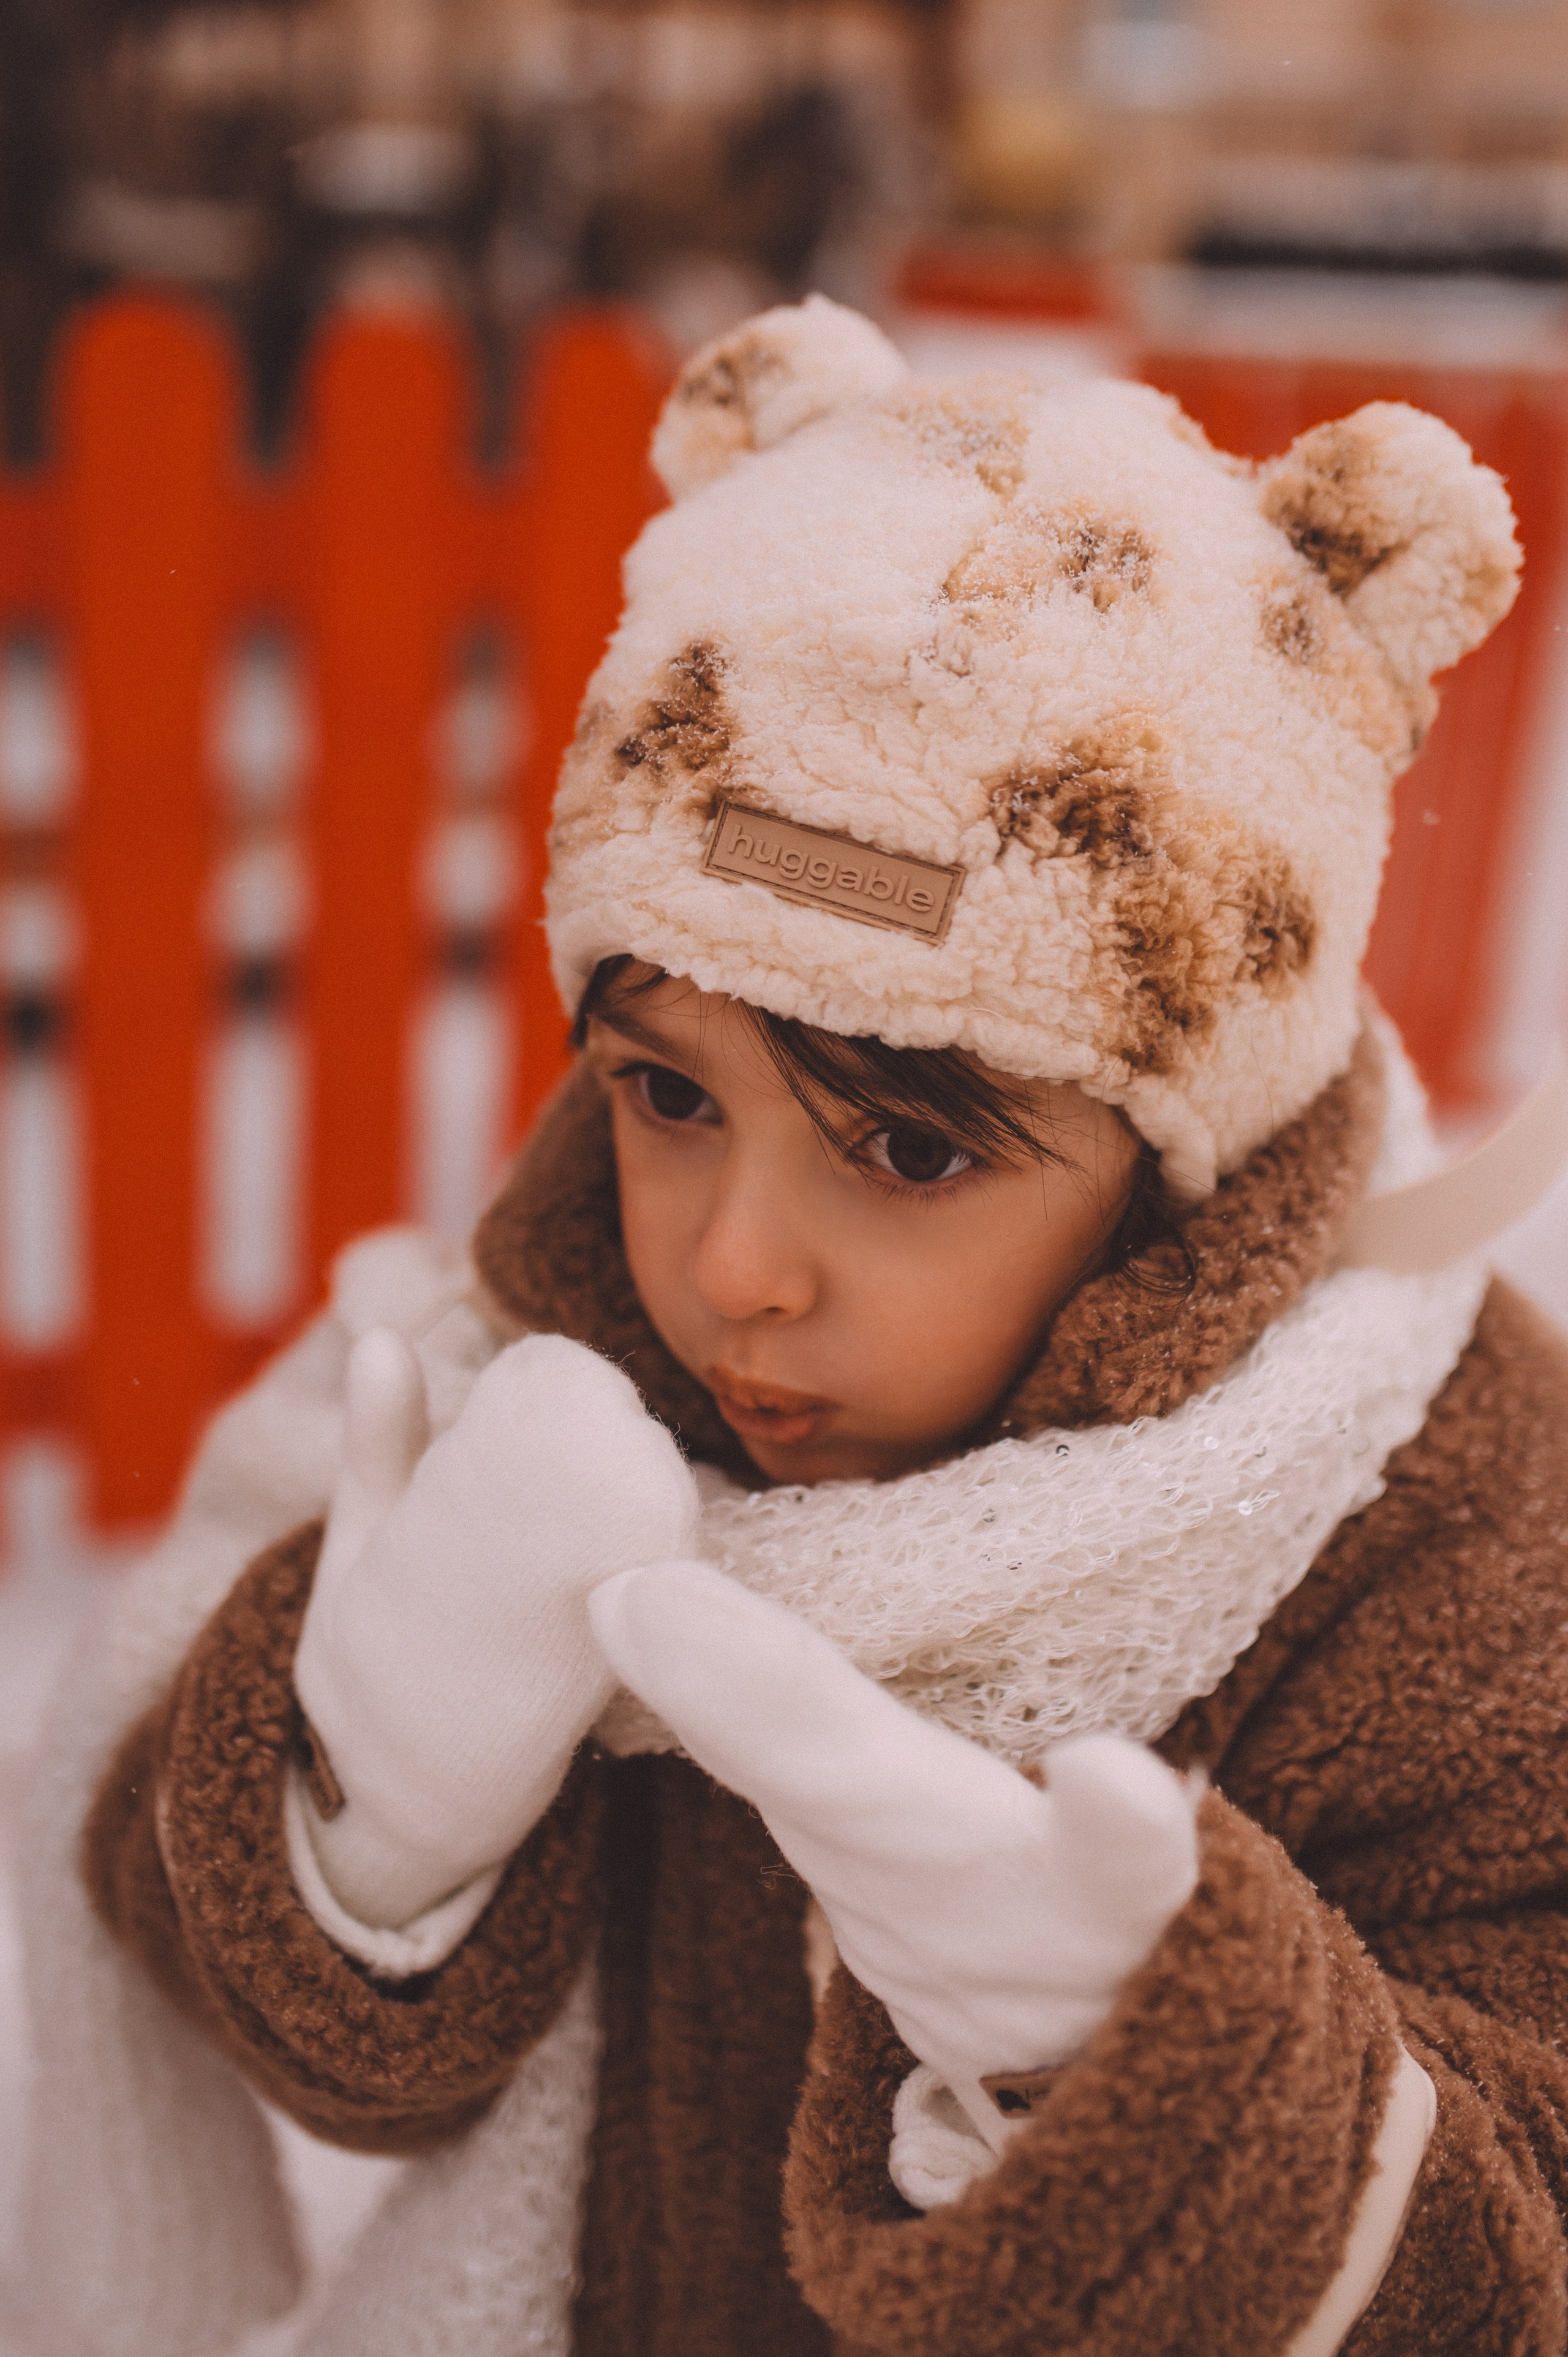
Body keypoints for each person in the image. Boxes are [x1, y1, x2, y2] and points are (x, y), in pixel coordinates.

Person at [17, 296, 1568, 2357]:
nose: (735, 1262)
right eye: (668, 1094)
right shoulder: (508, 1390)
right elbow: (276, 2029)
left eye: (907, 1151)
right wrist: (363, 1820)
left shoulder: (1442, 1537)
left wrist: (1148, 2094)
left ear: (1182, 1165)